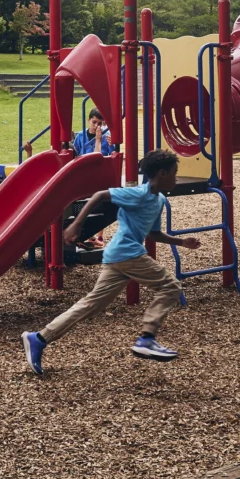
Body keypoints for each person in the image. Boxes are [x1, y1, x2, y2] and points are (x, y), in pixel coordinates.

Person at [22, 150, 199, 374]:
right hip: (128, 254)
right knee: (170, 286)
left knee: (91, 304)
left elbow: (153, 234)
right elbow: (99, 196)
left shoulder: (160, 200)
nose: (176, 178)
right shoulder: (137, 194)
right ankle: (146, 338)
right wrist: (77, 224)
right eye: (174, 174)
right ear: (162, 174)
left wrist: (182, 241)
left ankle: (39, 338)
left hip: (117, 257)